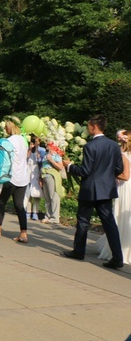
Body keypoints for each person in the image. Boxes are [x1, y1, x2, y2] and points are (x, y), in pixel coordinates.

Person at [63, 114, 125, 269]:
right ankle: (117, 258)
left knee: (83, 220)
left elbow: (85, 170)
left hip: (90, 189)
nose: (87, 128)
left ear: (94, 126)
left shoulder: (90, 146)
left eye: (89, 126)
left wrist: (70, 166)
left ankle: (79, 251)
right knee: (109, 223)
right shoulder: (113, 146)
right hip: (106, 189)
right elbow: (118, 169)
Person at [96, 129, 131, 264]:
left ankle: (117, 249)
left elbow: (126, 176)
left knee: (118, 215)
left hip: (124, 188)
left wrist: (110, 174)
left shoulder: (123, 155)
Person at [0, 117, 30, 243]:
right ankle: (23, 233)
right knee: (19, 205)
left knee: (1, 202)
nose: (5, 129)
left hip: (11, 176)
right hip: (23, 177)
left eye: (6, 127)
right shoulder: (24, 141)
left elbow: (3, 158)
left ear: (10, 127)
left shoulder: (8, 141)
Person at [40, 141, 66, 224]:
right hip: (45, 176)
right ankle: (47, 216)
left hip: (52, 176)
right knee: (47, 197)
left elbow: (60, 167)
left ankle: (55, 217)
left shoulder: (56, 155)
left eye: (48, 144)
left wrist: (51, 160)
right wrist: (40, 178)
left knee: (53, 197)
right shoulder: (45, 154)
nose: (46, 145)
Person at [25, 135, 46, 220]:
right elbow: (25, 159)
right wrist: (30, 149)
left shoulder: (42, 150)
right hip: (28, 171)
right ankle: (28, 211)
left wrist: (39, 156)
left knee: (37, 193)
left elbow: (42, 162)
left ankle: (35, 212)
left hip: (37, 171)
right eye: (35, 141)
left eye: (38, 142)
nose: (37, 143)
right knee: (28, 192)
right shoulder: (28, 149)